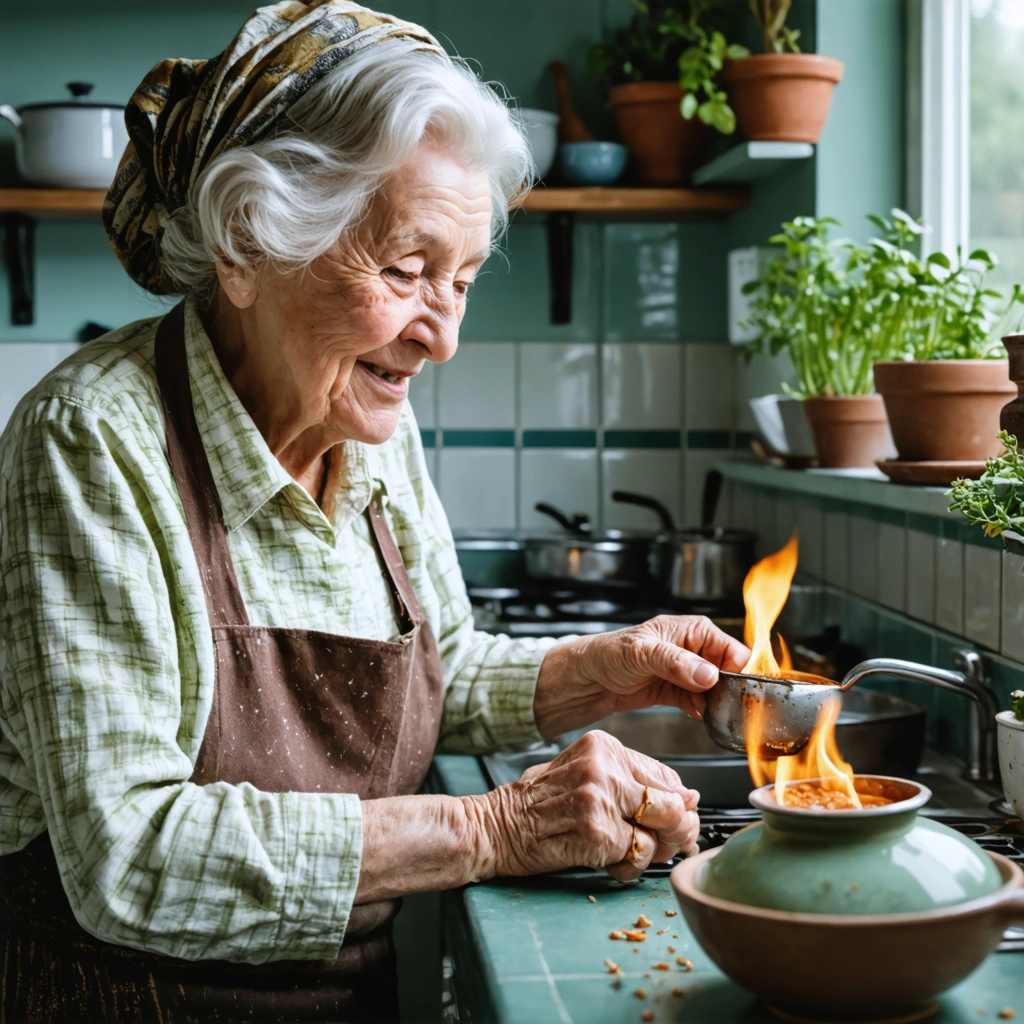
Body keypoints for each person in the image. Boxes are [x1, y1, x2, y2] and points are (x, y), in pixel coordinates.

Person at [0, 2, 749, 1020]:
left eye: (462, 281)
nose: (442, 337)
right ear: (247, 245)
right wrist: (493, 828)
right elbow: (128, 856)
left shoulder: (370, 423)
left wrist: (602, 670)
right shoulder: (92, 440)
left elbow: (438, 668)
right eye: (405, 272)